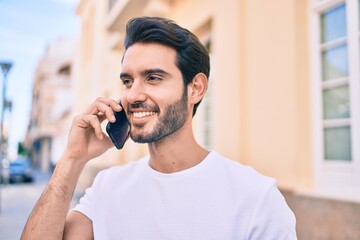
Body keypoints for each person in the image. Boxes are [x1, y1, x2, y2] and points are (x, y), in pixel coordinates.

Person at [22, 17, 297, 239]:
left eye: (153, 78)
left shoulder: (256, 199)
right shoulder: (107, 188)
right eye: (128, 81)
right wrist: (73, 159)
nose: (133, 95)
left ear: (196, 89)